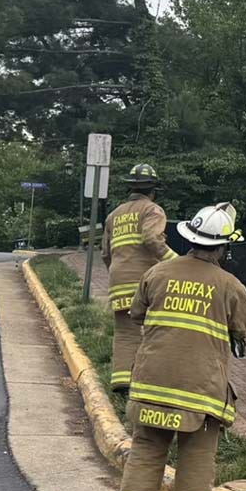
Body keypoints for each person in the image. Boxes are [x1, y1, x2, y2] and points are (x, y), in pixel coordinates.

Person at [114, 203, 246, 491]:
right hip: (199, 390)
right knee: (196, 451)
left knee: (147, 446)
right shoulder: (229, 284)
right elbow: (245, 326)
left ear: (189, 238)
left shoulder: (157, 273)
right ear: (223, 246)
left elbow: (136, 313)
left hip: (150, 382)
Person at [101, 163, 177, 394]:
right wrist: (177, 263)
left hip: (118, 279)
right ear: (153, 190)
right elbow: (152, 240)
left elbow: (105, 252)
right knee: (158, 329)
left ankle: (122, 382)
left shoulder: (114, 215)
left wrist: (117, 271)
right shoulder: (152, 210)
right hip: (145, 281)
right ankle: (152, 383)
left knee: (124, 333)